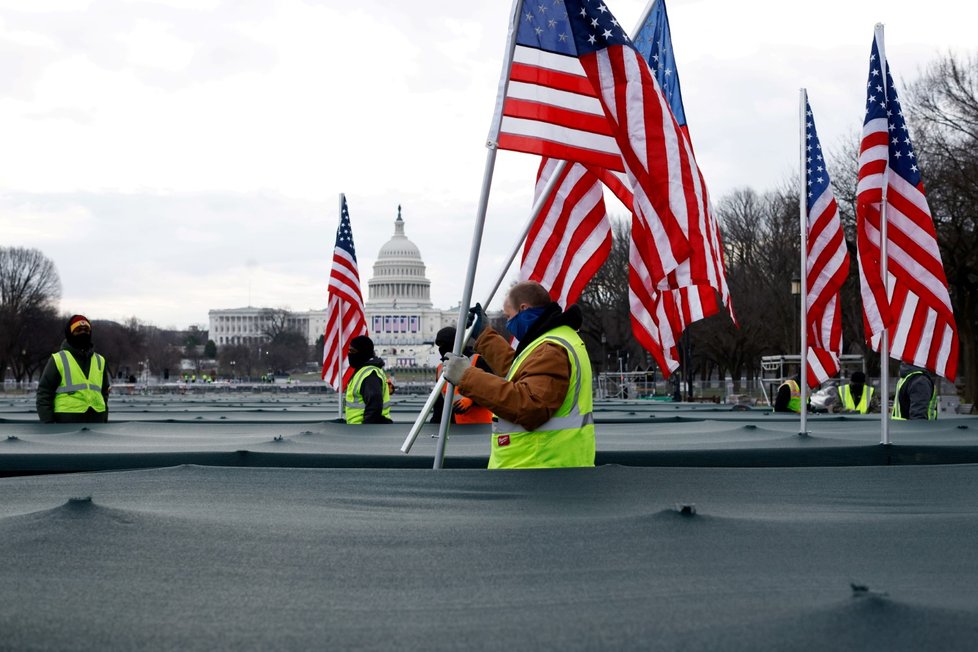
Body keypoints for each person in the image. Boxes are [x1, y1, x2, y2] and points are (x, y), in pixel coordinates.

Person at [442, 281, 595, 469]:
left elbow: (530, 406)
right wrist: (484, 335)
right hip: (541, 461)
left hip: (540, 465)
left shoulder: (551, 349)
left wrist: (467, 377)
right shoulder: (551, 341)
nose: (508, 323)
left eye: (509, 316)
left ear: (524, 309)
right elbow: (519, 370)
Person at [36, 315, 110, 424]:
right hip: (66, 423)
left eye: (86, 330)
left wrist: (104, 417)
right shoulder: (58, 359)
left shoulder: (100, 360)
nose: (83, 333)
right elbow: (44, 393)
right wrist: (48, 423)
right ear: (70, 334)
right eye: (78, 330)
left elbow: (104, 392)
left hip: (96, 421)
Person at [431, 326, 493, 425]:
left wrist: (471, 401)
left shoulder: (478, 361)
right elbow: (439, 404)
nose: (441, 349)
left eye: (444, 344)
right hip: (453, 428)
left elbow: (492, 391)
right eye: (439, 345)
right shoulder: (440, 369)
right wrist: (434, 424)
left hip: (480, 427)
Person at [344, 335, 393, 424]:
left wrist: (366, 430)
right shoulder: (364, 371)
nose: (349, 354)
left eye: (352, 351)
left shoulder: (370, 375)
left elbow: (374, 407)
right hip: (358, 429)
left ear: (362, 353)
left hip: (363, 431)